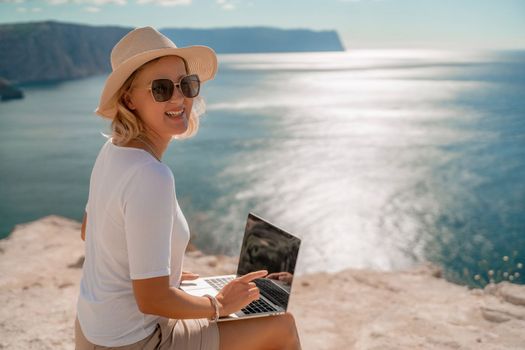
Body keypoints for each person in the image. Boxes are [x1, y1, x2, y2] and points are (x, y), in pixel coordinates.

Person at [75, 26, 302, 350]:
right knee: (281, 326)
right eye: (162, 88)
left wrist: (163, 272)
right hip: (135, 342)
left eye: (186, 84)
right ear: (129, 99)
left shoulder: (113, 151)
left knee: (254, 314)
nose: (179, 97)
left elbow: (90, 230)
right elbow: (152, 300)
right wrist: (219, 304)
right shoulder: (150, 175)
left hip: (93, 333)